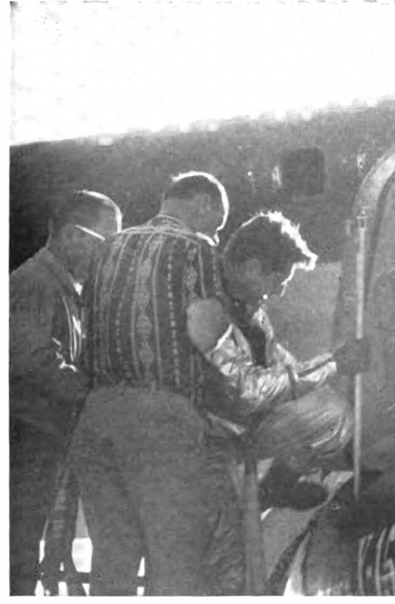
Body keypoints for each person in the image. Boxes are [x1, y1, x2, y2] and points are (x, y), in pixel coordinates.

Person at [69, 172, 239, 596]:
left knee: (113, 562)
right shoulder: (197, 248)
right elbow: (207, 337)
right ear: (202, 203)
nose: (216, 234)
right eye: (217, 223)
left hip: (97, 417)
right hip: (161, 420)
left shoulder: (107, 247)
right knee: (175, 562)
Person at [187, 211, 367, 509]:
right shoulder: (207, 306)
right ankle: (267, 493)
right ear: (252, 268)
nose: (280, 291)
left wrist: (325, 368)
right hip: (207, 429)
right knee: (331, 415)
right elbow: (250, 391)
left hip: (230, 418)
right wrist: (333, 364)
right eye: (278, 281)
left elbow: (277, 365)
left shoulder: (246, 306)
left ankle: (272, 489)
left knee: (321, 401)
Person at [9, 190, 122, 595]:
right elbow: (33, 361)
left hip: (39, 438)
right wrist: (95, 392)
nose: (110, 259)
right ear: (73, 236)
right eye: (107, 245)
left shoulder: (59, 288)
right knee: (17, 552)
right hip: (27, 438)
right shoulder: (33, 284)